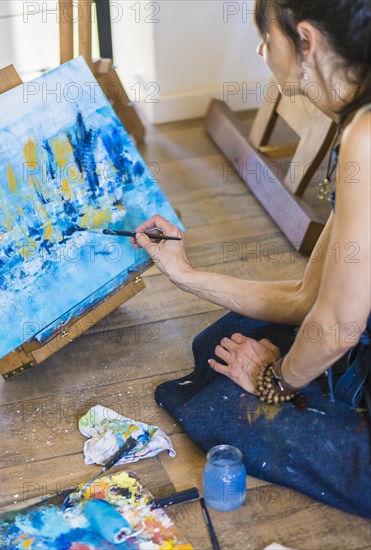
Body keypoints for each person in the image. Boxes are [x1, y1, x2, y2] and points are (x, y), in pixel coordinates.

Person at [133, 0, 370, 518]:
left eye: (265, 36)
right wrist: (184, 273)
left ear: (306, 40)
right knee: (221, 343)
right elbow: (311, 297)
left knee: (224, 403)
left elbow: (336, 327)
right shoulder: (357, 119)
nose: (261, 50)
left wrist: (276, 381)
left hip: (350, 337)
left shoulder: (366, 136)